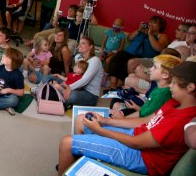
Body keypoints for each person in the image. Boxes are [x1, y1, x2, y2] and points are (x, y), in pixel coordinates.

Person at [57, 61, 196, 176]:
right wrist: (105, 120)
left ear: (190, 87)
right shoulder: (174, 102)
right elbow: (144, 120)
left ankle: (77, 154)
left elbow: (136, 143)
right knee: (81, 119)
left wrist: (100, 130)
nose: (170, 85)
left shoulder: (181, 120)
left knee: (66, 143)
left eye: (174, 83)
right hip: (137, 136)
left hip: (142, 158)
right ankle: (78, 162)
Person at [106, 16, 169, 90]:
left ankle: (119, 86)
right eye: (150, 22)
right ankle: (112, 85)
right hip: (129, 52)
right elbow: (129, 38)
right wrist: (138, 30)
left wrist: (150, 34)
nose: (151, 24)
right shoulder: (142, 31)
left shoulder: (162, 36)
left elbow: (159, 48)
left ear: (160, 27)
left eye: (154, 23)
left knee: (127, 65)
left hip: (142, 57)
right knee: (117, 58)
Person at [110, 54, 181, 119]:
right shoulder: (158, 89)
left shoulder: (162, 94)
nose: (150, 68)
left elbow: (145, 117)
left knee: (114, 115)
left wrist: (123, 119)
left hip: (143, 123)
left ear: (165, 74)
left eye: (155, 67)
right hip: (142, 113)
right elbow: (144, 111)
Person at [59, 37, 104, 107]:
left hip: (90, 94)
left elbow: (84, 80)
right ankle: (58, 92)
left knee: (71, 96)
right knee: (52, 79)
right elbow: (75, 75)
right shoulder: (78, 57)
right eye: (79, 43)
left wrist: (69, 87)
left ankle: (58, 92)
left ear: (90, 47)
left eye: (83, 43)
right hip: (78, 88)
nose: (79, 45)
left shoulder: (95, 61)